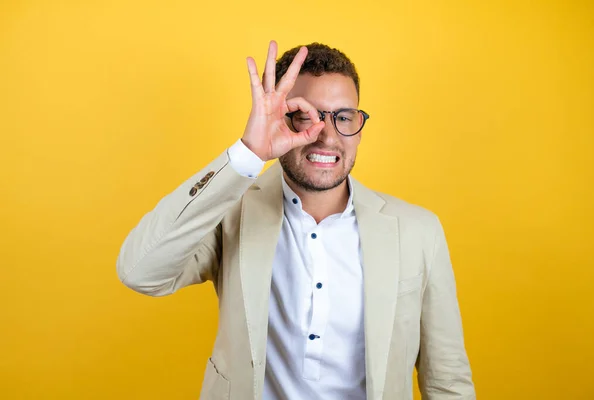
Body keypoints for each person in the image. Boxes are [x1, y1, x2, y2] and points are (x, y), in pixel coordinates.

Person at [117, 41, 475, 400]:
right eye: (307, 115)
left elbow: (447, 381)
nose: (327, 136)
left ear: (360, 127)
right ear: (280, 119)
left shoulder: (417, 231)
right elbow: (140, 272)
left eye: (344, 117)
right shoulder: (231, 212)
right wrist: (248, 153)